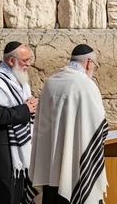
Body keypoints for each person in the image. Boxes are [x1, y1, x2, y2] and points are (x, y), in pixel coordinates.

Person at [30, 44, 108, 204]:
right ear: (88, 62)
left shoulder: (49, 84)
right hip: (76, 167)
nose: (93, 68)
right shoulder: (86, 86)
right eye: (95, 65)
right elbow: (99, 126)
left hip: (50, 166)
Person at [0, 41, 38, 204]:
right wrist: (26, 109)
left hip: (16, 150)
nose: (28, 64)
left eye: (29, 60)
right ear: (11, 61)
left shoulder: (20, 82)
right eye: (25, 60)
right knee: (3, 195)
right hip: (1, 151)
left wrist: (31, 104)